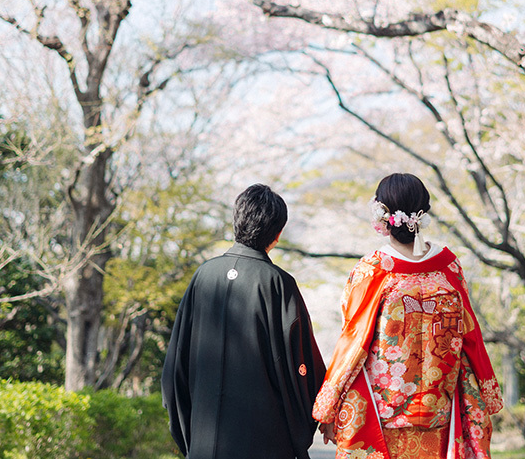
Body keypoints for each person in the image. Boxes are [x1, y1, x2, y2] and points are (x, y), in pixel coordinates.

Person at [313, 173, 503, 459]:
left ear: (381, 213)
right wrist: (486, 392)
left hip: (382, 413)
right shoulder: (449, 268)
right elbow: (470, 334)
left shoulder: (373, 270)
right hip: (440, 410)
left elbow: (352, 341)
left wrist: (329, 406)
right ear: (423, 212)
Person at [162, 183, 326, 459]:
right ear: (277, 233)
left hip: (204, 441)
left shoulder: (203, 276)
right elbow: (301, 367)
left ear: (236, 220)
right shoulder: (278, 283)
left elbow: (176, 364)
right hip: (265, 443)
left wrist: (191, 435)